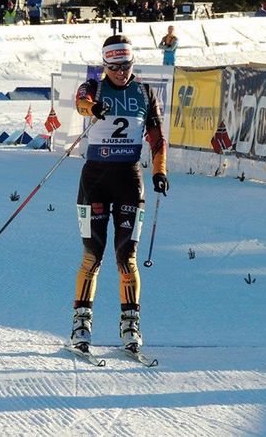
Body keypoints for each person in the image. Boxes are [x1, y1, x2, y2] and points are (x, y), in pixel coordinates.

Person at [70, 34, 168, 355]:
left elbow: (156, 137)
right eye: (114, 67)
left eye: (126, 66)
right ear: (105, 66)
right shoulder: (94, 87)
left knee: (126, 258)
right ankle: (81, 325)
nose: (120, 73)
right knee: (92, 256)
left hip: (128, 179)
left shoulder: (144, 91)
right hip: (95, 179)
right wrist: (93, 108)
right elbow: (81, 102)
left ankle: (131, 326)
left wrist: (159, 170)